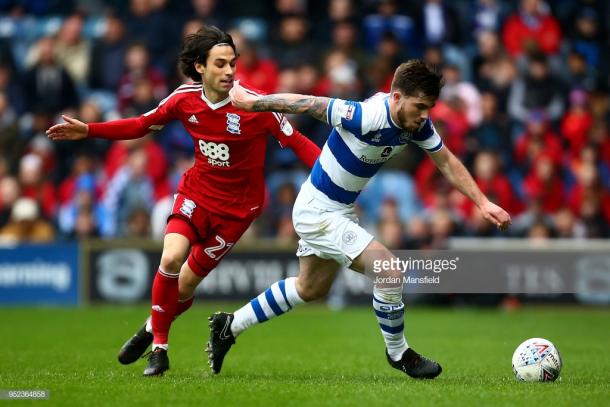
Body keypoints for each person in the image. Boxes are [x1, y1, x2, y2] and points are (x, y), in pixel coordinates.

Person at [206, 60, 511, 379]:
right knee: (390, 271)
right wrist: (253, 103)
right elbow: (310, 103)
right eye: (420, 106)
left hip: (338, 209)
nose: (424, 115)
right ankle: (399, 353)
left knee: (309, 288)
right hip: (318, 211)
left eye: (429, 108)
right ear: (396, 97)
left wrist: (482, 202)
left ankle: (229, 325)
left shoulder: (417, 125)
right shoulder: (367, 116)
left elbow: (445, 160)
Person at [46, 25, 320, 377]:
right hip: (197, 194)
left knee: (186, 286)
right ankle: (160, 349)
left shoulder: (255, 104)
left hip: (238, 210)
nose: (230, 71)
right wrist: (90, 129)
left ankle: (149, 328)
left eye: (232, 63)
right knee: (172, 256)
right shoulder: (183, 99)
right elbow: (141, 125)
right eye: (220, 64)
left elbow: (298, 143)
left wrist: (334, 178)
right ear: (200, 67)